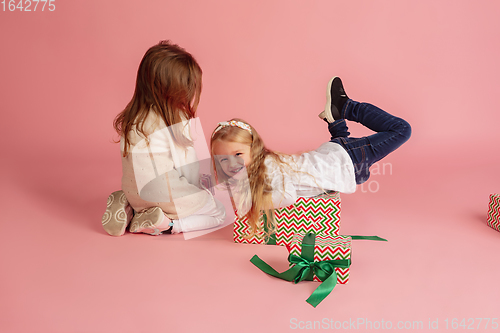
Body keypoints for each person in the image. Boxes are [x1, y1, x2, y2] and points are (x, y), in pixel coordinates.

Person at [210, 77, 411, 237]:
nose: (231, 163)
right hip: (331, 155)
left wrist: (256, 201)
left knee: (402, 130)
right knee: (326, 163)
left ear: (253, 150)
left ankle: (346, 107)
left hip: (346, 160)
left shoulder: (268, 167)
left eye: (237, 154)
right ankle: (336, 122)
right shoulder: (250, 173)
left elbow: (288, 196)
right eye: (223, 159)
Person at [102, 40, 225, 237]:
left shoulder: (132, 118)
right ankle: (168, 224)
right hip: (167, 196)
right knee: (219, 212)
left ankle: (131, 208)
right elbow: (190, 167)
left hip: (136, 193)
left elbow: (132, 166)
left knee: (151, 189)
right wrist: (204, 192)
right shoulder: (177, 119)